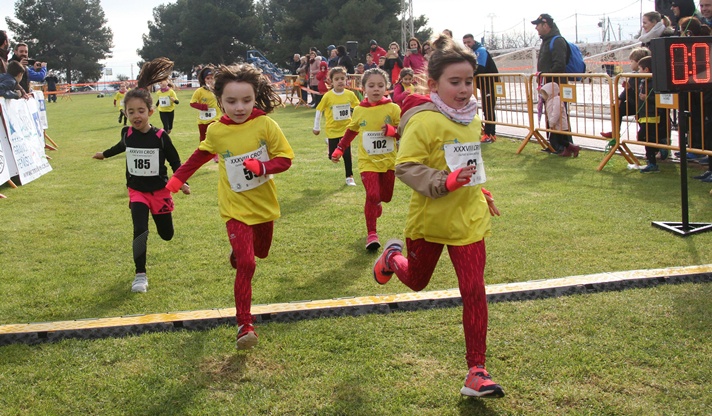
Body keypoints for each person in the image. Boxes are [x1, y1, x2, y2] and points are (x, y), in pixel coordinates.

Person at [371, 34, 504, 399]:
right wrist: (443, 182)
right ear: (433, 84)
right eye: (454, 82)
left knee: (474, 290)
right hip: (430, 222)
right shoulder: (424, 122)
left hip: (469, 219)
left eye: (468, 81)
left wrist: (481, 190)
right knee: (416, 281)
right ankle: (391, 258)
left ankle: (476, 370)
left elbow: (467, 164)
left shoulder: (471, 118)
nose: (464, 90)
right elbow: (406, 167)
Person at [165, 63, 294, 350]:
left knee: (260, 252)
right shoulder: (216, 131)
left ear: (255, 96)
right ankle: (244, 324)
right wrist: (174, 182)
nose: (239, 107)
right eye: (231, 101)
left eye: (246, 100)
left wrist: (262, 166)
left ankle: (238, 252)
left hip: (263, 206)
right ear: (219, 100)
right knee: (247, 265)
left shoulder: (265, 125)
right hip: (234, 208)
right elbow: (197, 157)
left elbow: (285, 159)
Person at [92, 57, 190, 293]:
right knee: (139, 230)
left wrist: (182, 181)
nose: (136, 115)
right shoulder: (127, 133)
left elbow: (175, 160)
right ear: (125, 112)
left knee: (166, 235)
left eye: (141, 111)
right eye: (131, 111)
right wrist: (104, 154)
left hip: (160, 191)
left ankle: (163, 222)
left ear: (151, 111)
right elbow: (120, 147)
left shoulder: (159, 137)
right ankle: (140, 275)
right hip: (137, 192)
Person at [330, 68, 401, 250]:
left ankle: (377, 204)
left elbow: (404, 132)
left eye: (380, 85)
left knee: (385, 196)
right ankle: (372, 234)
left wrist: (393, 131)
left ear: (387, 87)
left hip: (388, 161)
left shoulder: (393, 109)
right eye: (371, 85)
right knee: (372, 194)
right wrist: (340, 148)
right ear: (363, 88)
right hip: (367, 161)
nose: (376, 89)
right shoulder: (360, 110)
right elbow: (351, 130)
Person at [313, 66, 361, 186]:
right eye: (337, 79)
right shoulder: (328, 96)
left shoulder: (350, 94)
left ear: (346, 80)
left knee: (346, 153)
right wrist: (316, 127)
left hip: (346, 129)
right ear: (331, 81)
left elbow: (358, 108)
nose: (340, 81)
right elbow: (319, 110)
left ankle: (349, 177)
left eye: (342, 79)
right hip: (332, 130)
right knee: (332, 157)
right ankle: (329, 143)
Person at [601, 47, 651, 139]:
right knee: (617, 108)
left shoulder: (645, 76)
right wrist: (620, 98)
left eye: (631, 61)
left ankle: (651, 142)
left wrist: (629, 89)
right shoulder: (633, 75)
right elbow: (627, 90)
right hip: (634, 103)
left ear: (639, 62)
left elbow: (637, 91)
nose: (630, 63)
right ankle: (615, 132)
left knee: (645, 129)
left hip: (643, 105)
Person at [463, 33, 500, 143]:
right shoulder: (472, 53)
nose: (467, 45)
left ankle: (490, 134)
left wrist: (468, 74)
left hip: (490, 83)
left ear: (473, 41)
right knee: (486, 108)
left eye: (468, 42)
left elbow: (481, 68)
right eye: (464, 43)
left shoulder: (481, 51)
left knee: (488, 108)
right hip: (484, 84)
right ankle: (487, 133)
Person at [635, 56, 667, 173]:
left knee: (646, 137)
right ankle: (656, 152)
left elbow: (659, 98)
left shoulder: (655, 82)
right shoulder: (643, 81)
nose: (638, 72)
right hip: (643, 115)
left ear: (646, 70)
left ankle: (653, 161)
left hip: (652, 115)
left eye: (640, 69)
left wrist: (647, 98)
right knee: (645, 137)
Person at [190, 66, 223, 163]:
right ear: (204, 80)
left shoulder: (217, 90)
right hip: (202, 119)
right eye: (208, 78)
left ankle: (216, 154)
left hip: (215, 118)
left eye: (212, 78)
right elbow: (192, 103)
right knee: (203, 139)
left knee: (215, 136)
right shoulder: (199, 91)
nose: (210, 80)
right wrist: (203, 107)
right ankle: (202, 156)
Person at [538, 82, 580, 157]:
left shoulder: (557, 99)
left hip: (560, 124)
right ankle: (567, 151)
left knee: (560, 140)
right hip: (556, 124)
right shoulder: (550, 100)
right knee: (555, 139)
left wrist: (551, 122)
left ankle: (574, 148)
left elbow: (556, 113)